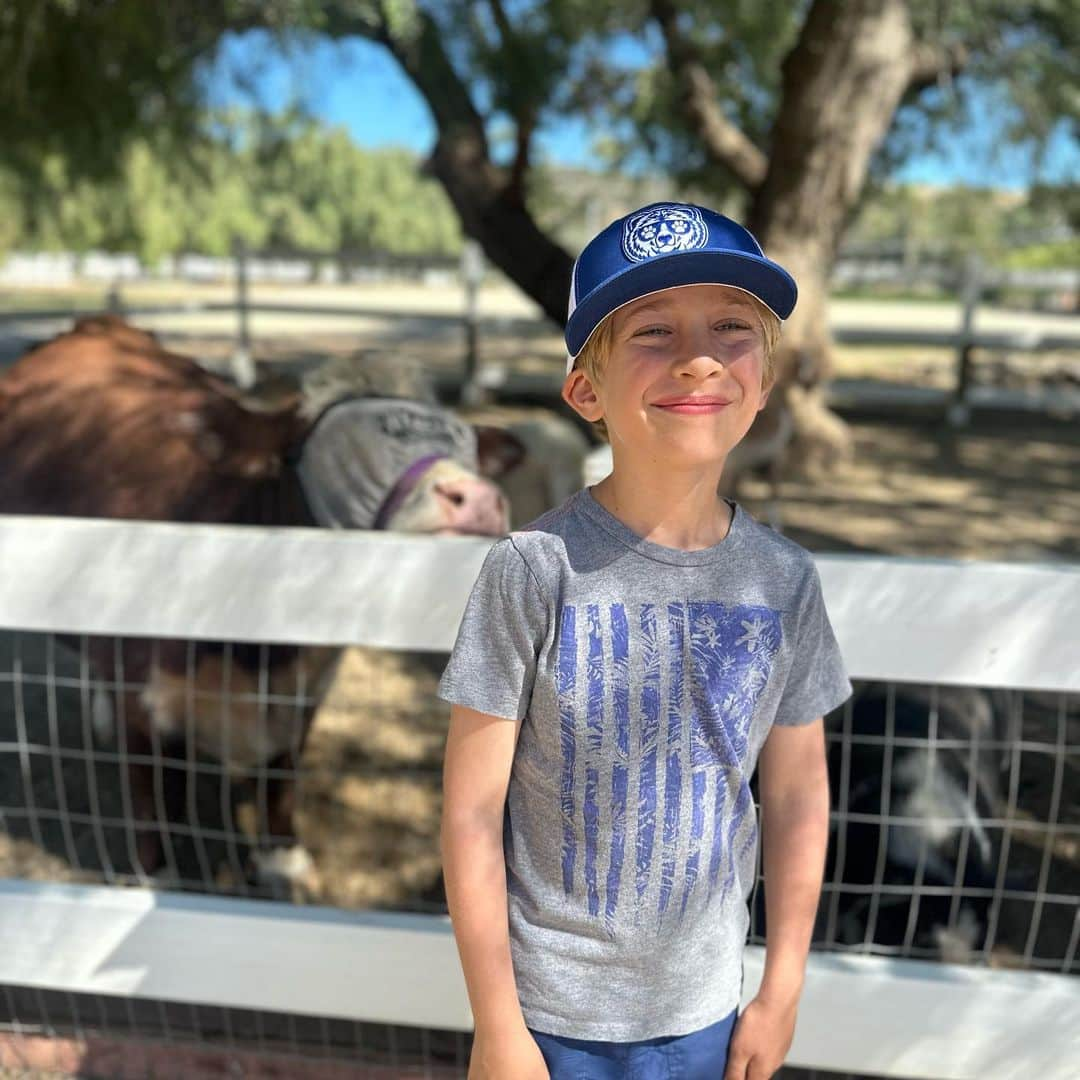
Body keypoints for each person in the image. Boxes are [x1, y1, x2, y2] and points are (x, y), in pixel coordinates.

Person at [437, 201, 853, 1080]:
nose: (698, 357)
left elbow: (796, 800)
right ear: (585, 389)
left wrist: (780, 993)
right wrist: (497, 1026)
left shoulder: (784, 582)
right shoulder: (532, 569)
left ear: (765, 380)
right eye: (652, 332)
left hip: (704, 1017)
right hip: (548, 1023)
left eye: (732, 328)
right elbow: (472, 815)